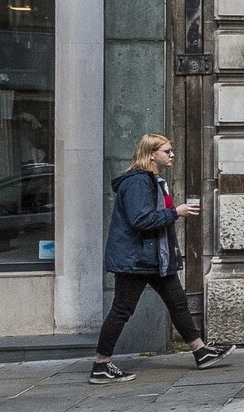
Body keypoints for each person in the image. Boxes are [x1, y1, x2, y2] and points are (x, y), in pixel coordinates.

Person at [91, 134, 233, 382]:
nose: (172, 155)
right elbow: (140, 219)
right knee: (121, 310)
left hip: (154, 257)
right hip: (136, 260)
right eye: (167, 151)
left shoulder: (152, 181)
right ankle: (101, 365)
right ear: (151, 155)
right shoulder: (138, 182)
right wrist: (176, 212)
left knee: (178, 302)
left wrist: (173, 213)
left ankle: (200, 351)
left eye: (171, 150)